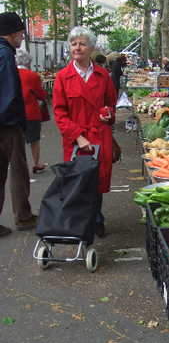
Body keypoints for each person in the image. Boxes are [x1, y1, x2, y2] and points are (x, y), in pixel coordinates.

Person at [53, 26, 118, 238]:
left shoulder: (103, 76)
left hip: (99, 135)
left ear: (91, 48)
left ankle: (97, 218)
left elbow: (110, 103)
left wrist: (108, 113)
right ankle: (79, 222)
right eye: (73, 44)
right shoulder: (62, 77)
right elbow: (60, 114)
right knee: (78, 182)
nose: (77, 48)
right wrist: (79, 137)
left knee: (97, 181)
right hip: (75, 139)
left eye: (82, 43)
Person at [0, 11, 38, 237]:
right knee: (18, 170)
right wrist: (15, 122)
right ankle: (23, 216)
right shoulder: (5, 55)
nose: (22, 37)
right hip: (6, 125)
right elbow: (9, 94)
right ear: (12, 33)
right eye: (21, 33)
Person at [16, 49, 49, 174]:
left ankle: (17, 165)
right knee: (34, 139)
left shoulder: (9, 73)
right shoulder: (32, 75)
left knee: (16, 141)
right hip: (31, 112)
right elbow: (41, 94)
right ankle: (36, 164)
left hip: (14, 113)